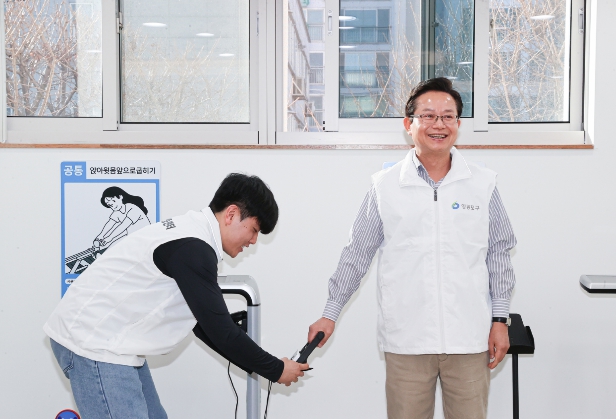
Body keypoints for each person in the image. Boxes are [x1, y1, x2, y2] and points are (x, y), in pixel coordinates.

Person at [308, 78, 517, 419]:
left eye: (448, 116)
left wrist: (499, 320)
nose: (439, 124)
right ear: (409, 124)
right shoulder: (385, 186)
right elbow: (356, 254)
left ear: (458, 124)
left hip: (469, 338)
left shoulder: (483, 184)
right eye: (428, 116)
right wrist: (329, 314)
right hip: (407, 340)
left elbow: (499, 254)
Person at [46, 173, 308, 419]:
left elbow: (203, 323)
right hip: (93, 344)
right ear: (231, 214)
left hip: (113, 343)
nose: (253, 241)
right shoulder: (193, 248)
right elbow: (220, 332)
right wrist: (276, 369)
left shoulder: (194, 237)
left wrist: (265, 364)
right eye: (254, 229)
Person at [94, 186, 151, 250]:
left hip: (145, 239)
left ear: (120, 197)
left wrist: (110, 238)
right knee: (112, 245)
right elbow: (110, 224)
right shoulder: (117, 212)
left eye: (113, 201)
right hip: (133, 237)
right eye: (110, 205)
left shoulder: (132, 208)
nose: (113, 206)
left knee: (115, 245)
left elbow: (124, 225)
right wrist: (100, 236)